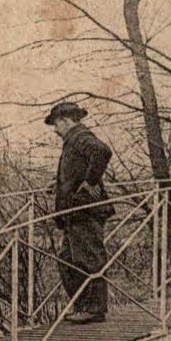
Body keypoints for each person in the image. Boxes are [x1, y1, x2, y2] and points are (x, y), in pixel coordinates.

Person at [45, 101, 114, 323]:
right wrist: (59, 184)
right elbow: (77, 169)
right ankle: (83, 306)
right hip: (74, 212)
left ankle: (94, 309)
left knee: (88, 259)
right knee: (68, 261)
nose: (55, 130)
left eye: (56, 124)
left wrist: (91, 182)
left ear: (65, 121)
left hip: (85, 210)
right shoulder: (72, 140)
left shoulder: (79, 136)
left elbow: (102, 151)